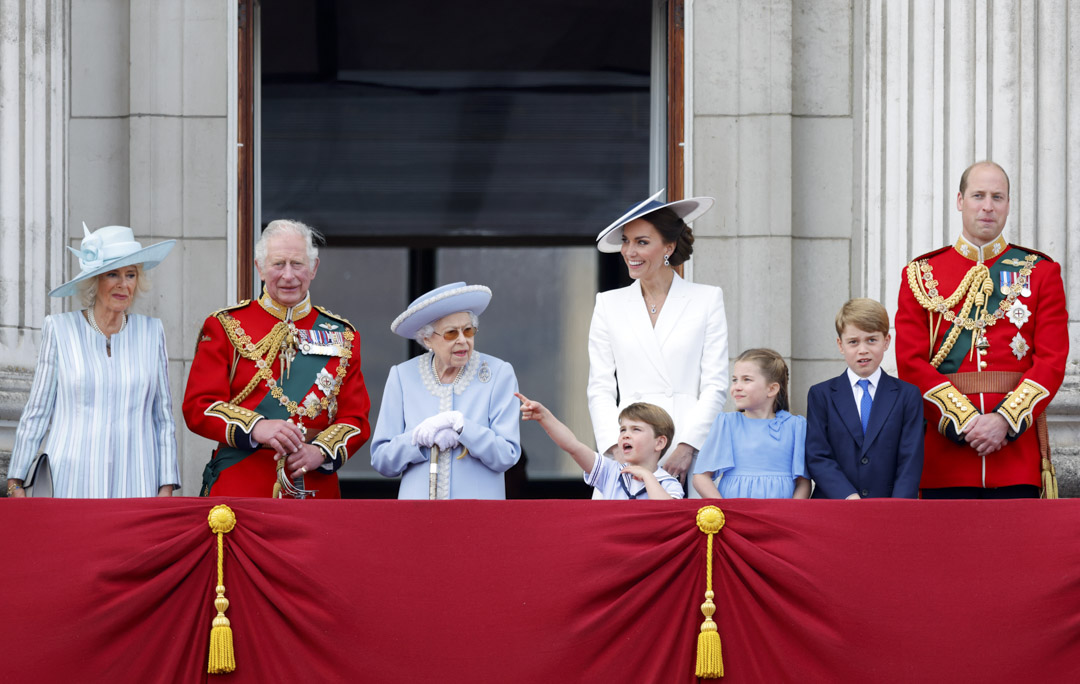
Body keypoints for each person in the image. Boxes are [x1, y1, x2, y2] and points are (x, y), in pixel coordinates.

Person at [895, 161, 1069, 499]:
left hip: (1015, 459)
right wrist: (966, 423)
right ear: (960, 201)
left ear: (1008, 204)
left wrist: (1004, 420)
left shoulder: (1041, 273)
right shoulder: (921, 274)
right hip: (946, 461)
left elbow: (1051, 361)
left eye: (997, 197)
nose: (988, 206)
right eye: (978, 196)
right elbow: (911, 363)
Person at [183, 219, 371, 498]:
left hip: (313, 484)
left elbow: (355, 418)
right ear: (259, 268)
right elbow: (199, 407)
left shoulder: (343, 335)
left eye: (297, 264)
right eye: (277, 264)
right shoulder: (225, 325)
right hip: (240, 483)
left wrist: (319, 452)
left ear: (314, 268)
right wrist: (257, 427)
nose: (288, 275)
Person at [6, 223, 180, 498]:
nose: (124, 284)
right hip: (70, 482)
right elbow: (37, 411)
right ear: (94, 280)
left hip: (135, 482)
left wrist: (166, 486)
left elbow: (163, 418)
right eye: (112, 274)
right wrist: (16, 480)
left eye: (131, 274)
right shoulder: (60, 329)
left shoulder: (151, 332)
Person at [588, 189, 728, 497]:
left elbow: (716, 385)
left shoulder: (706, 299)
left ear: (669, 245)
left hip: (686, 444)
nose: (629, 251)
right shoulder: (608, 304)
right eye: (626, 241)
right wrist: (614, 447)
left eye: (642, 242)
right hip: (629, 446)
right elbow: (600, 387)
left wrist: (688, 446)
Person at [371, 283, 521, 499]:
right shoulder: (402, 376)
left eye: (468, 330)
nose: (463, 340)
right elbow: (382, 461)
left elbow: (507, 455)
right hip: (417, 516)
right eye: (451, 333)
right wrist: (417, 438)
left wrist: (464, 429)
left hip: (478, 516)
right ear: (427, 339)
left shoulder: (498, 374)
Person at [805, 299, 924, 499]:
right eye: (853, 342)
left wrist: (897, 507)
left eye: (871, 340)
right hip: (835, 506)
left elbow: (910, 458)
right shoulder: (821, 395)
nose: (863, 350)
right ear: (840, 345)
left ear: (886, 341)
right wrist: (848, 495)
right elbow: (818, 455)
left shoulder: (907, 395)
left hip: (888, 509)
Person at [692, 349, 810, 499]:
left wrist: (790, 514)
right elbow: (701, 477)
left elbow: (803, 482)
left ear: (772, 389)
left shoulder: (796, 426)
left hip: (780, 515)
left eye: (746, 379)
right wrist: (725, 510)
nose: (737, 386)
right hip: (735, 514)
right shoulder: (727, 423)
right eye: (735, 380)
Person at [517, 393, 682, 500]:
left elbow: (668, 512)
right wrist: (544, 417)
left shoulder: (669, 483)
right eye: (622, 429)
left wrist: (647, 476)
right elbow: (573, 447)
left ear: (659, 442)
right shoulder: (610, 472)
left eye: (636, 429)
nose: (625, 434)